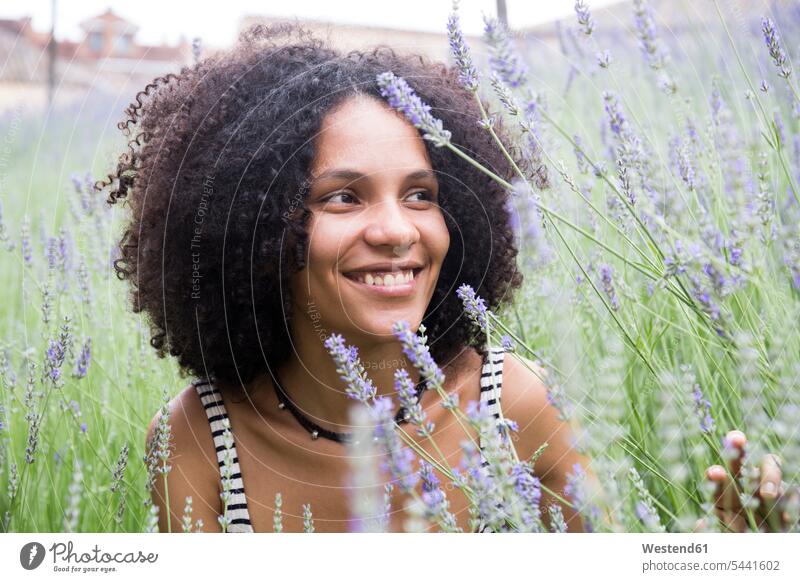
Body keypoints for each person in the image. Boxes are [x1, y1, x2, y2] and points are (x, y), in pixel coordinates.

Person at [106, 24, 784, 533]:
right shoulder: (197, 437)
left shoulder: (515, 408)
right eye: (344, 197)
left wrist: (737, 555)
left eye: (422, 195)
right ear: (255, 224)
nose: (398, 230)